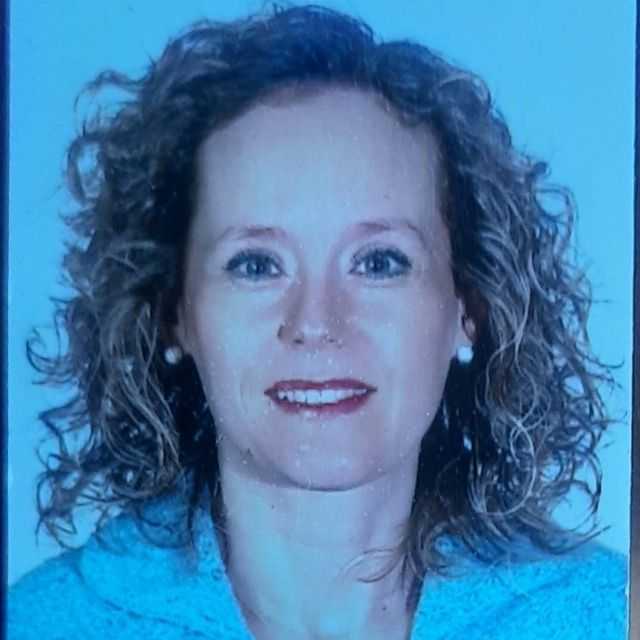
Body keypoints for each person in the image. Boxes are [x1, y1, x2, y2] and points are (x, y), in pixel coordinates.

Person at [8, 4, 627, 639]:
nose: (316, 321)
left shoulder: (607, 614)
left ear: (468, 306)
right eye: (255, 265)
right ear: (175, 314)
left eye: (379, 262)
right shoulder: (38, 624)